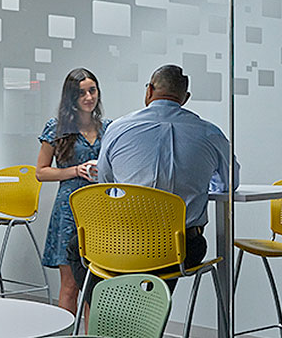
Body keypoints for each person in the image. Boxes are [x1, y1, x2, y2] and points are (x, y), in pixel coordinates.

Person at [94, 64, 239, 272]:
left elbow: (106, 183)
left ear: (149, 90)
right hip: (181, 248)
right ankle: (153, 301)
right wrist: (195, 185)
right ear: (185, 98)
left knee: (75, 249)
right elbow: (229, 184)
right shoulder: (210, 133)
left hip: (124, 242)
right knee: (163, 263)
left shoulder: (118, 128)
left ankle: (110, 302)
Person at [35, 68, 106, 316]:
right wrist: (76, 170)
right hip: (69, 210)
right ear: (70, 97)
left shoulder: (107, 128)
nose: (88, 97)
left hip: (102, 211)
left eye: (92, 90)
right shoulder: (56, 127)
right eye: (81, 93)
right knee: (70, 285)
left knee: (95, 285)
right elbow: (41, 172)